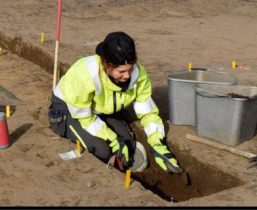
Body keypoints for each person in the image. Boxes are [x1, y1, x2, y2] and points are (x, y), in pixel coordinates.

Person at [48, 31, 183, 174]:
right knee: (103, 150)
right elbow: (83, 116)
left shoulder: (139, 75)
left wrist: (158, 144)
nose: (127, 76)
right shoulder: (85, 75)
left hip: (102, 110)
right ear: (106, 64)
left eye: (130, 69)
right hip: (71, 111)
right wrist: (112, 138)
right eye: (121, 72)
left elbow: (148, 112)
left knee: (128, 145)